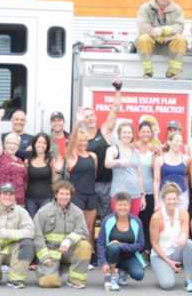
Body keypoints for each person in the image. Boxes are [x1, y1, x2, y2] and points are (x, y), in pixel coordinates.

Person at [31, 180, 91, 288]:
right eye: (62, 194)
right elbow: (37, 236)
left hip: (69, 251)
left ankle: (75, 280)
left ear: (71, 195)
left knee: (85, 246)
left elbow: (82, 231)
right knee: (49, 283)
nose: (64, 197)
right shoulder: (44, 212)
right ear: (56, 194)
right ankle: (53, 272)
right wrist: (44, 258)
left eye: (67, 194)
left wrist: (68, 241)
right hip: (50, 254)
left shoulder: (77, 212)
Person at [80, 80, 122, 224]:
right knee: (89, 220)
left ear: (96, 117)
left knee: (107, 218)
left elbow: (115, 110)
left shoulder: (104, 131)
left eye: (92, 115)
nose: (90, 118)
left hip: (108, 182)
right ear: (82, 120)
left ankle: (104, 245)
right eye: (86, 116)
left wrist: (118, 89)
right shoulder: (80, 138)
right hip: (89, 184)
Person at [57, 125, 99, 252]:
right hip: (77, 195)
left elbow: (94, 175)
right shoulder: (71, 156)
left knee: (90, 227)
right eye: (80, 140)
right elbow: (70, 144)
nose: (83, 143)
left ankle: (90, 253)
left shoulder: (93, 156)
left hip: (90, 194)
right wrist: (79, 122)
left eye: (85, 140)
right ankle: (75, 252)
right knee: (78, 227)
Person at [149, 182, 192, 291]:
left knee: (189, 243)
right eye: (169, 199)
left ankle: (189, 280)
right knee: (168, 284)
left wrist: (183, 236)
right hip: (160, 256)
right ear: (164, 200)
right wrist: (169, 262)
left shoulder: (184, 214)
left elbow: (185, 231)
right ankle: (166, 269)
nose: (172, 202)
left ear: (178, 199)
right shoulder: (156, 217)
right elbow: (154, 243)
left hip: (176, 253)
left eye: (174, 199)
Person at [96, 191, 147, 290]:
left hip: (128, 257)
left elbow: (141, 245)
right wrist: (103, 262)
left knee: (139, 275)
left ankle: (123, 270)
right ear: (115, 206)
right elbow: (100, 244)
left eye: (125, 205)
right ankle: (111, 276)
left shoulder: (137, 222)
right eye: (120, 205)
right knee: (114, 247)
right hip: (111, 255)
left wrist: (121, 245)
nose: (122, 208)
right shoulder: (107, 220)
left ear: (130, 206)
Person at [135, 0, 186, 79]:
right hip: (152, 44)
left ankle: (172, 73)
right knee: (143, 38)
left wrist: (162, 30)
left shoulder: (177, 10)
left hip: (168, 45)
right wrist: (163, 38)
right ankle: (148, 73)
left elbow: (180, 27)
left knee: (181, 39)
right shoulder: (145, 8)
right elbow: (143, 28)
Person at [105, 121, 145, 216]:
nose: (127, 135)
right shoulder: (113, 149)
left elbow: (139, 175)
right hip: (119, 195)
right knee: (119, 222)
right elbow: (107, 163)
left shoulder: (136, 151)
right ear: (119, 134)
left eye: (129, 132)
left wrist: (142, 195)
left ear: (132, 135)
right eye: (124, 132)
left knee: (133, 222)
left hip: (135, 194)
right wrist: (118, 161)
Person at [0, 108, 28, 208]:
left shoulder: (20, 160)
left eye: (15, 144)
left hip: (18, 202)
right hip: (1, 201)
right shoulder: (0, 156)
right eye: (10, 143)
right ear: (5, 144)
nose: (12, 146)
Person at [134, 120, 159, 246]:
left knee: (147, 222)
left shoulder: (154, 150)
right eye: (143, 131)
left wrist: (155, 154)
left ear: (151, 134)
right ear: (138, 133)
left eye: (148, 132)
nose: (145, 134)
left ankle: (147, 249)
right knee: (134, 222)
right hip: (134, 191)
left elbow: (157, 171)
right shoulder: (133, 147)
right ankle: (135, 248)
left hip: (149, 191)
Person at [154, 131, 190, 212]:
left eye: (181, 141)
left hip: (182, 196)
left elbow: (186, 177)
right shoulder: (159, 160)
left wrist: (188, 194)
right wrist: (156, 202)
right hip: (164, 195)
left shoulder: (186, 159)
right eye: (177, 141)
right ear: (169, 142)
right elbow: (156, 181)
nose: (179, 144)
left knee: (180, 220)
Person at [26, 133, 57, 218]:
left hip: (46, 198)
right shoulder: (27, 161)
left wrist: (58, 170)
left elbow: (54, 180)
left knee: (44, 223)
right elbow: (25, 181)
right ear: (34, 144)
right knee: (31, 224)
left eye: (44, 143)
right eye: (39, 142)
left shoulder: (51, 160)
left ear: (47, 146)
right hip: (30, 198)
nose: (41, 145)